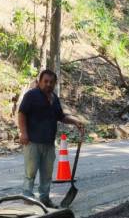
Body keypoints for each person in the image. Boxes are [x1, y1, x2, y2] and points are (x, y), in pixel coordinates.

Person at [17, 69, 84, 207]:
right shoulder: (31, 95)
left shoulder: (54, 98)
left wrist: (75, 121)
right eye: (45, 81)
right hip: (32, 142)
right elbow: (22, 113)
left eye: (51, 82)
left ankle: (45, 199)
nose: (48, 84)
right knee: (30, 172)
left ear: (55, 83)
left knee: (47, 174)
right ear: (39, 82)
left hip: (49, 143)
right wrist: (23, 133)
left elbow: (61, 117)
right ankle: (27, 199)